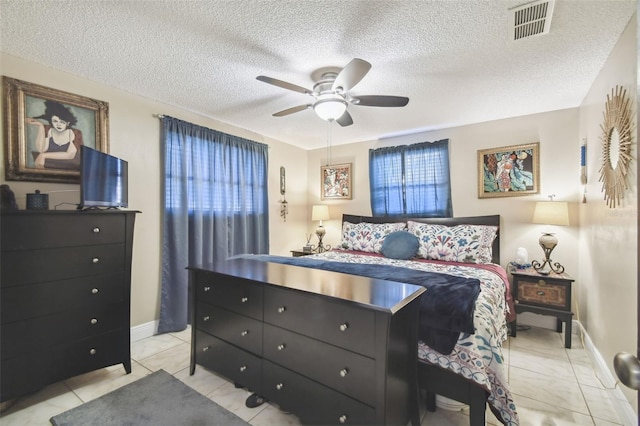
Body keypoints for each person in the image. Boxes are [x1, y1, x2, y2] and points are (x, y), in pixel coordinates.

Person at [26, 100, 83, 170]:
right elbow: (41, 149)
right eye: (55, 121)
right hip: (51, 166)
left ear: (68, 122)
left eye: (62, 122)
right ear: (51, 121)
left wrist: (43, 156)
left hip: (70, 167)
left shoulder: (76, 133)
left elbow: (70, 155)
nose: (58, 124)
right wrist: (40, 126)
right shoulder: (48, 129)